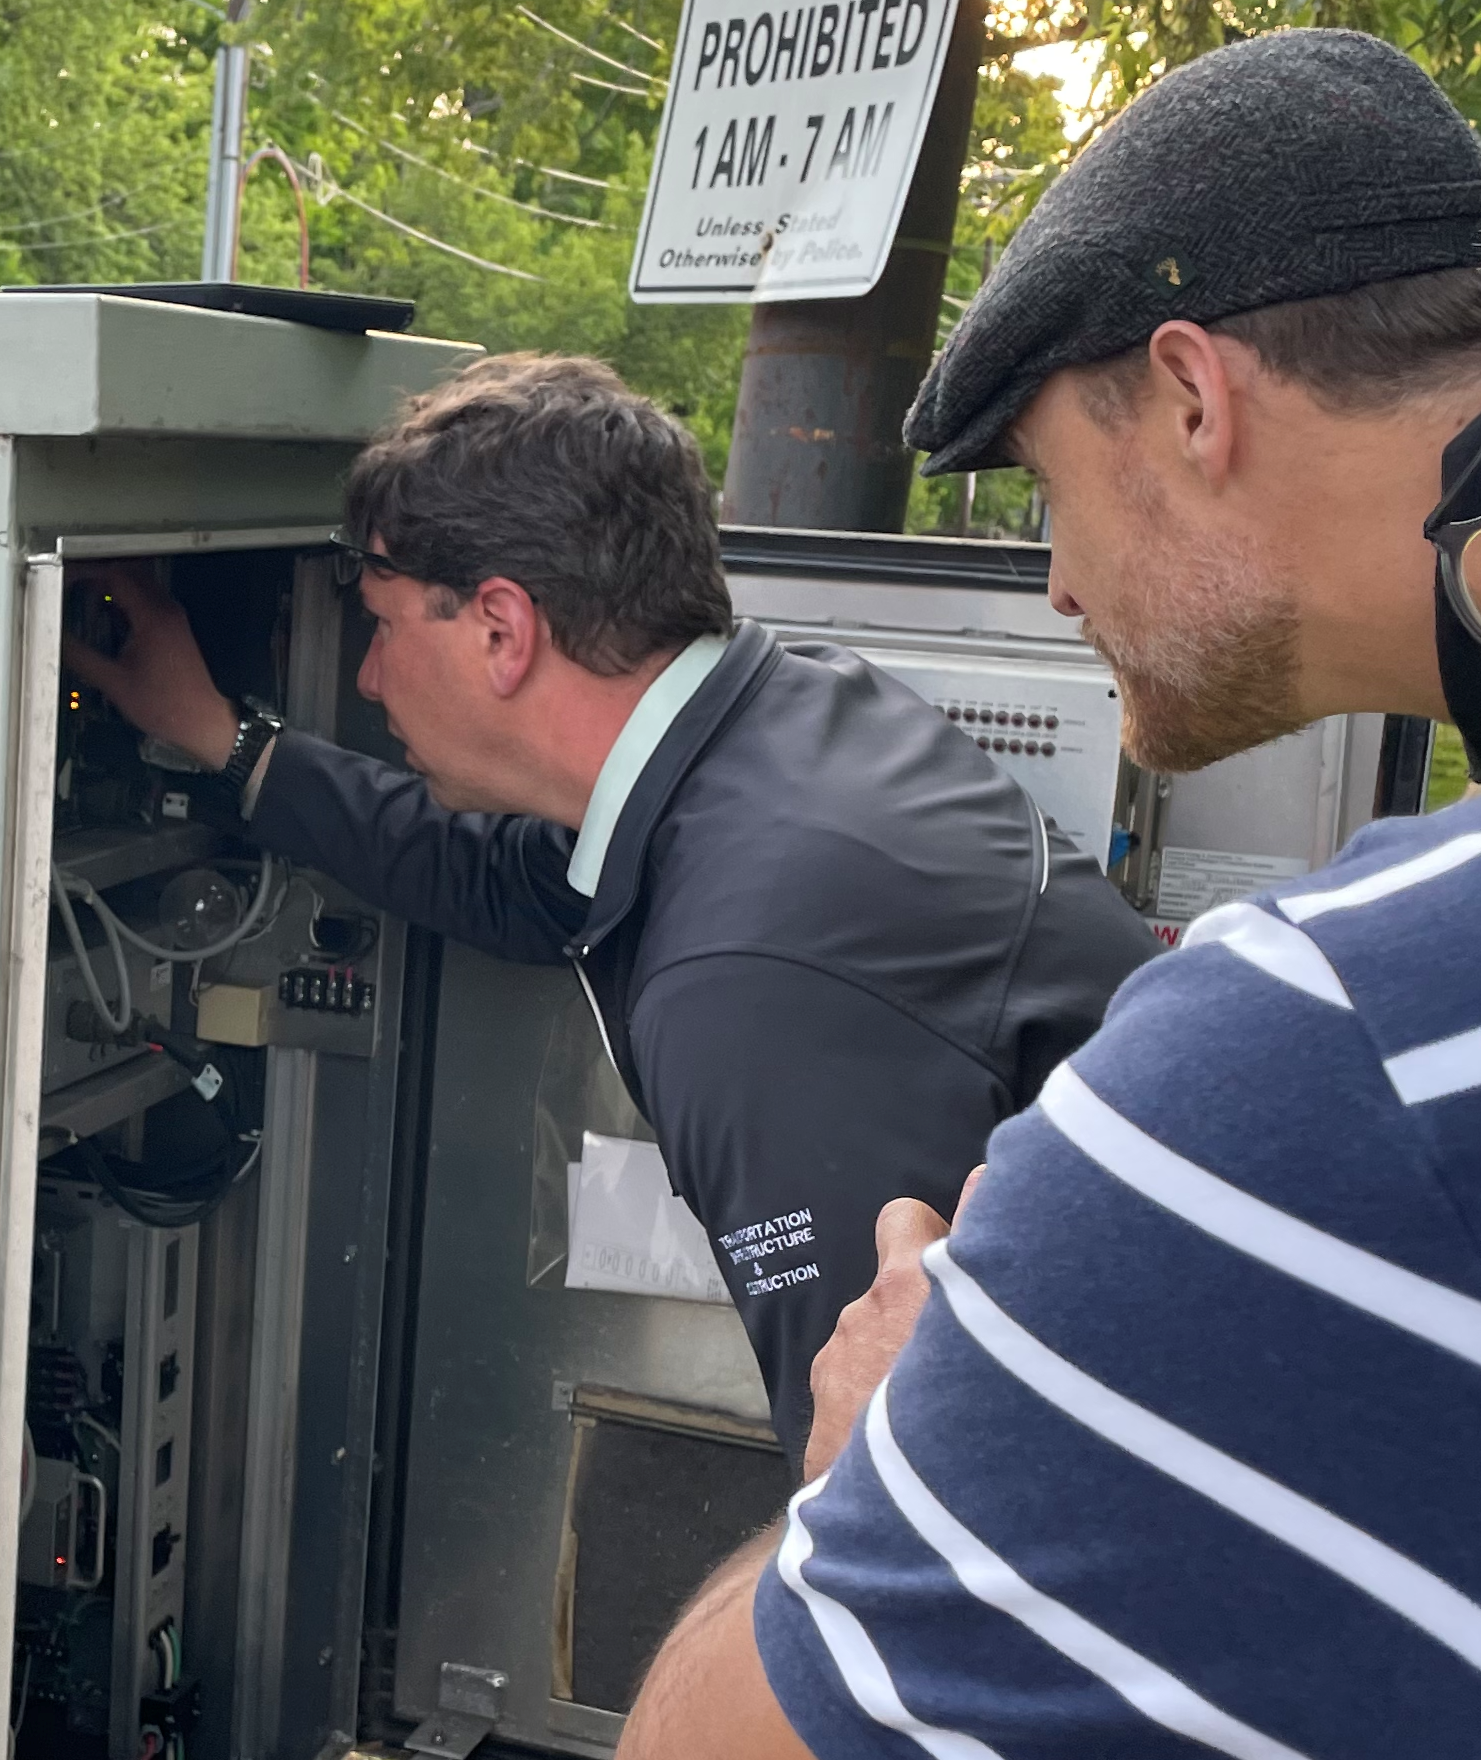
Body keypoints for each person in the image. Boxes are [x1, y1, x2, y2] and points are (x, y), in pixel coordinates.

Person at [619, 28, 1481, 1758]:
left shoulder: (1316, 1044)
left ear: (1186, 397)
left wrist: (910, 1440)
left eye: (1039, 482)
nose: (1051, 583)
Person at [66, 352, 1157, 1457]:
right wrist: (223, 738)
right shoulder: (778, 722)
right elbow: (505, 872)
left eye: (383, 625)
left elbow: (888, 1469)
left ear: (500, 629)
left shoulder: (744, 977)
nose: (367, 678)